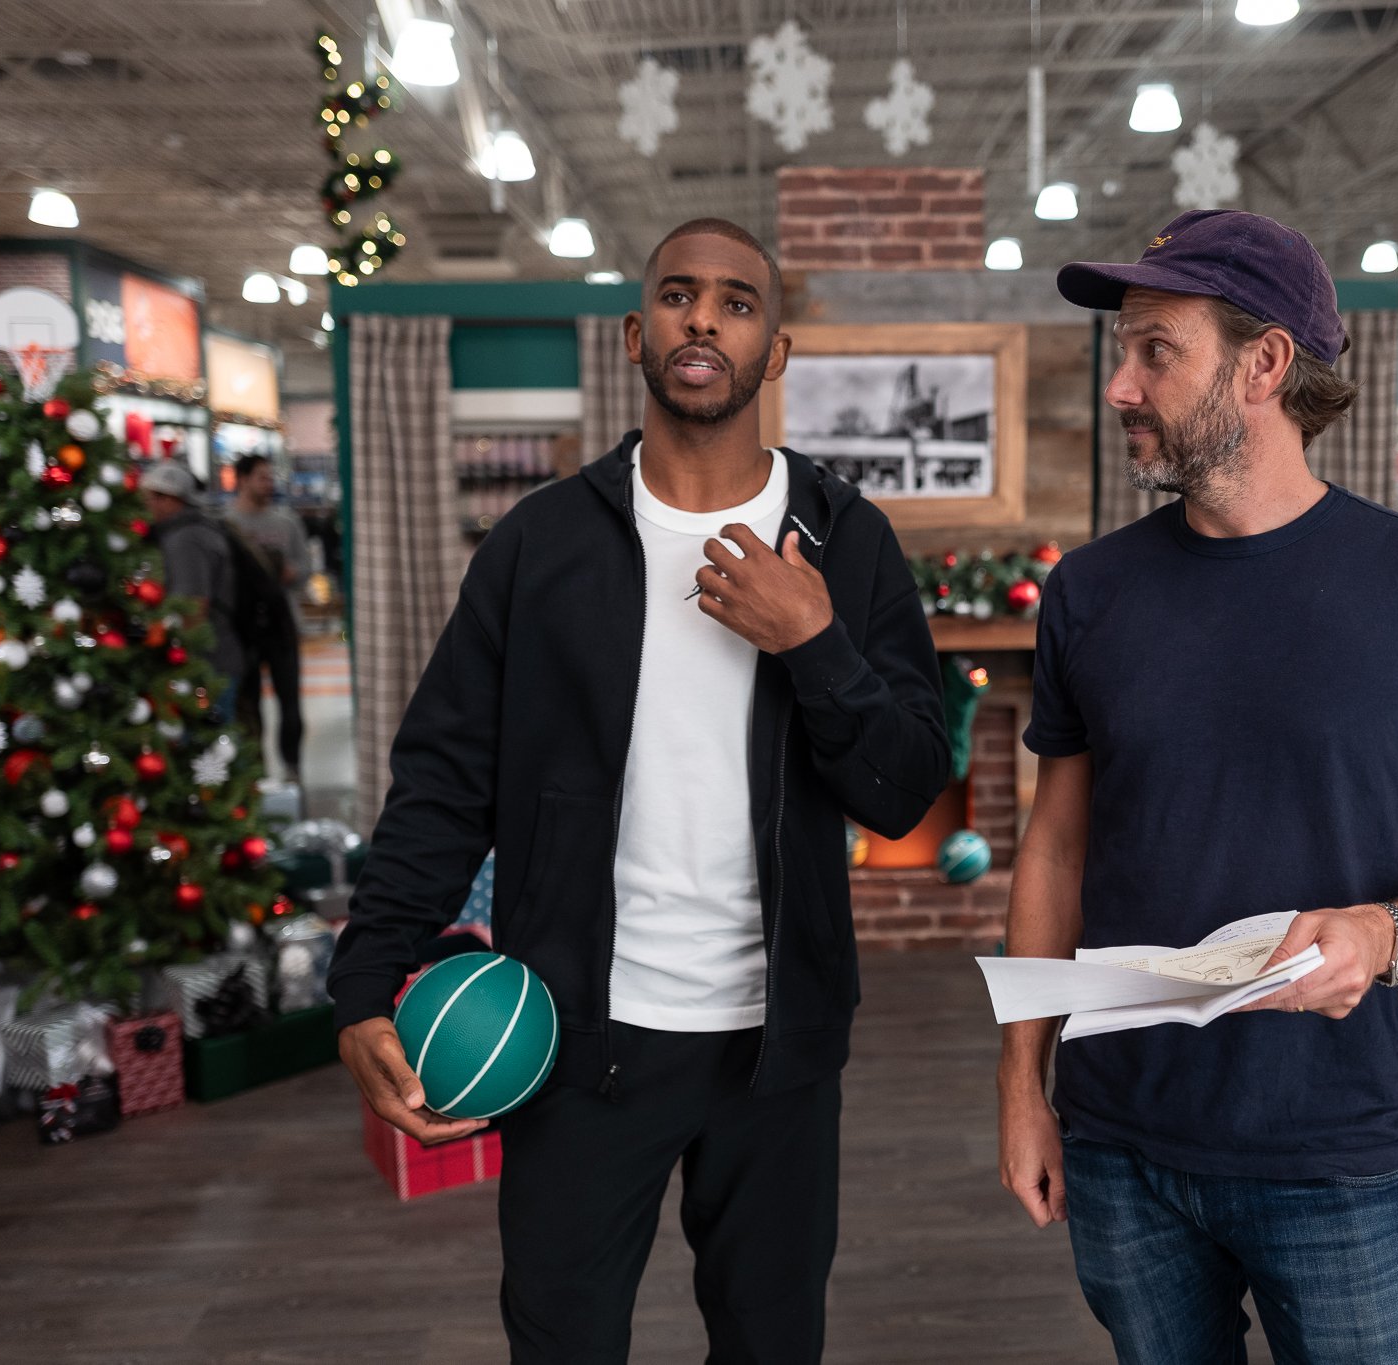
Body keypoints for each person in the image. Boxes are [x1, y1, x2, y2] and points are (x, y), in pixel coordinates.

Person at [327, 218, 949, 1364]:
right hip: (573, 1038)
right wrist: (365, 984)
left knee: (770, 1346)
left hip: (779, 1049)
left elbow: (902, 791)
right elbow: (442, 781)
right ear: (635, 334)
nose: (702, 317)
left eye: (736, 302)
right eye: (676, 295)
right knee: (560, 1340)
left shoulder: (844, 542)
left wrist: (813, 643)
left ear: (776, 351)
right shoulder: (539, 545)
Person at [998, 209, 1398, 1365]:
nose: (1120, 387)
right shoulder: (1089, 592)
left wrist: (1384, 934)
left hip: (1327, 1147)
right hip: (1117, 1141)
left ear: (1263, 363)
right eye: (1121, 352)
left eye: (1154, 350)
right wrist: (1022, 1084)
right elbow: (1052, 850)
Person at [141, 461, 246, 722]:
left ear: (170, 500)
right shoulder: (198, 530)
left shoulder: (186, 539)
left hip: (207, 666)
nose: (145, 506)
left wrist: (176, 659)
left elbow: (192, 608)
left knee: (210, 749)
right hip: (216, 660)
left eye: (151, 498)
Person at [225, 453, 306, 783]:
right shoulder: (226, 525)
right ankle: (255, 773)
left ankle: (292, 768)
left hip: (282, 624)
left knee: (290, 702)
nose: (269, 483)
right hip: (243, 628)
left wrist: (290, 573)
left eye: (271, 477)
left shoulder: (287, 523)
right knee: (249, 703)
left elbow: (305, 567)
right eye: (262, 477)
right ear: (241, 480)